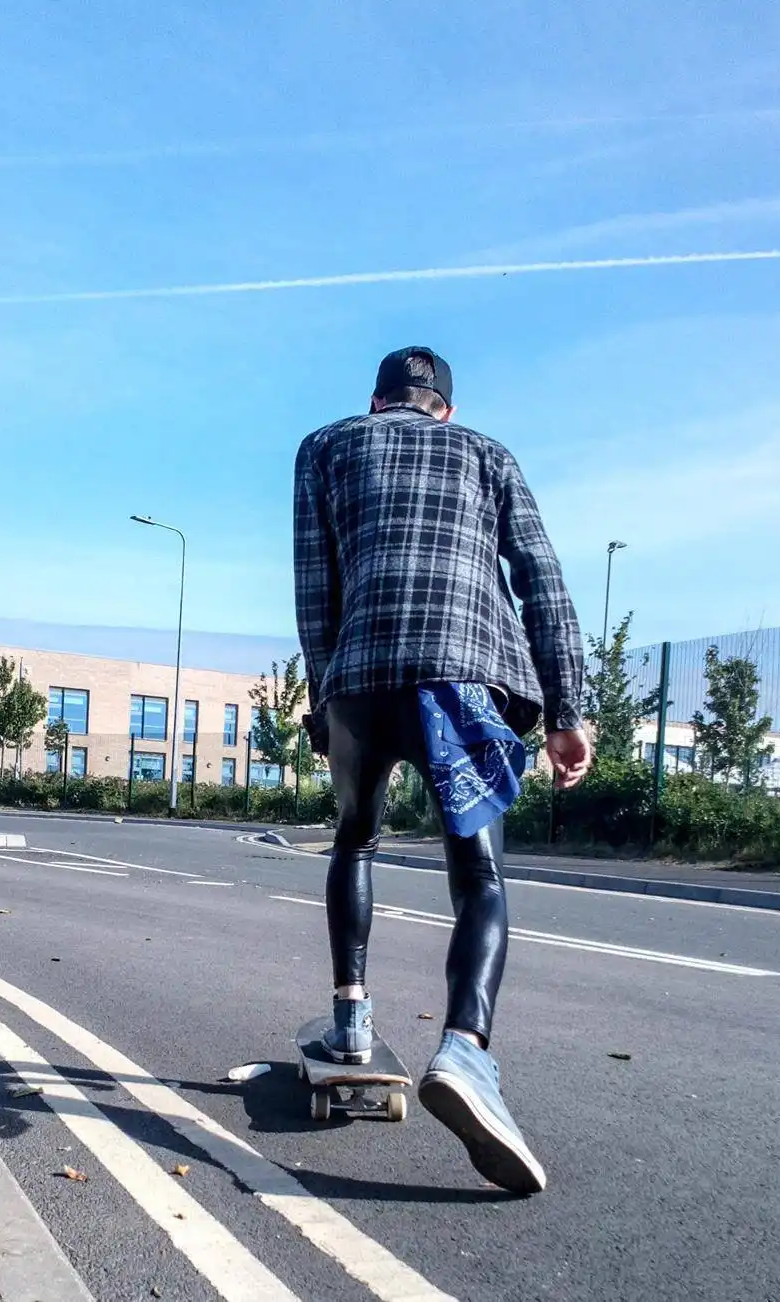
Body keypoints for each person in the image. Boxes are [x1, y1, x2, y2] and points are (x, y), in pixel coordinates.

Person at [293, 346, 591, 1195]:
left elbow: (318, 589)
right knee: (480, 877)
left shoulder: (325, 447)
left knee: (354, 842)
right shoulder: (489, 455)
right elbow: (542, 582)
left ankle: (351, 1021)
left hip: (360, 679)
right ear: (444, 410)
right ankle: (465, 1048)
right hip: (463, 680)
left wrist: (325, 701)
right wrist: (567, 712)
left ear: (377, 402)